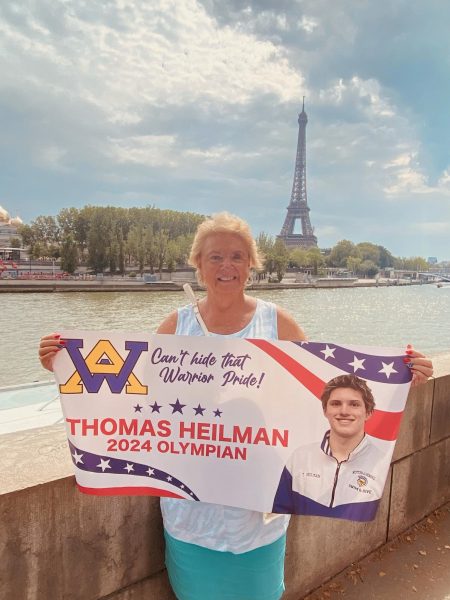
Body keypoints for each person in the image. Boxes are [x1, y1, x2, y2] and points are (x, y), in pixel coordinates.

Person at [38, 212, 434, 600]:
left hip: (257, 509)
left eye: (237, 256)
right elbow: (134, 396)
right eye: (215, 257)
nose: (226, 266)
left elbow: (324, 391)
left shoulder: (278, 323)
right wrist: (63, 362)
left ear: (251, 265)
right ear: (198, 264)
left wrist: (399, 379)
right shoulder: (174, 327)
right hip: (190, 509)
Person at [272, 374, 388, 521]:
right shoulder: (300, 456)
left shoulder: (381, 462)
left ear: (368, 412)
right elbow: (279, 513)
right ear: (325, 411)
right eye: (336, 403)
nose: (344, 411)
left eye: (354, 404)